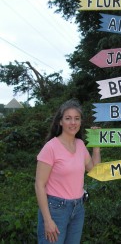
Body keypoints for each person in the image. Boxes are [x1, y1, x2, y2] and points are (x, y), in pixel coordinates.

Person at [35, 99, 101, 243]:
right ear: (60, 121)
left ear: (80, 122)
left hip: (78, 209)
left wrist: (96, 144)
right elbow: (39, 185)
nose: (73, 123)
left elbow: (94, 170)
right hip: (55, 209)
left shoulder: (80, 144)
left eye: (77, 119)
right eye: (68, 118)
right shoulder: (50, 147)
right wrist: (47, 220)